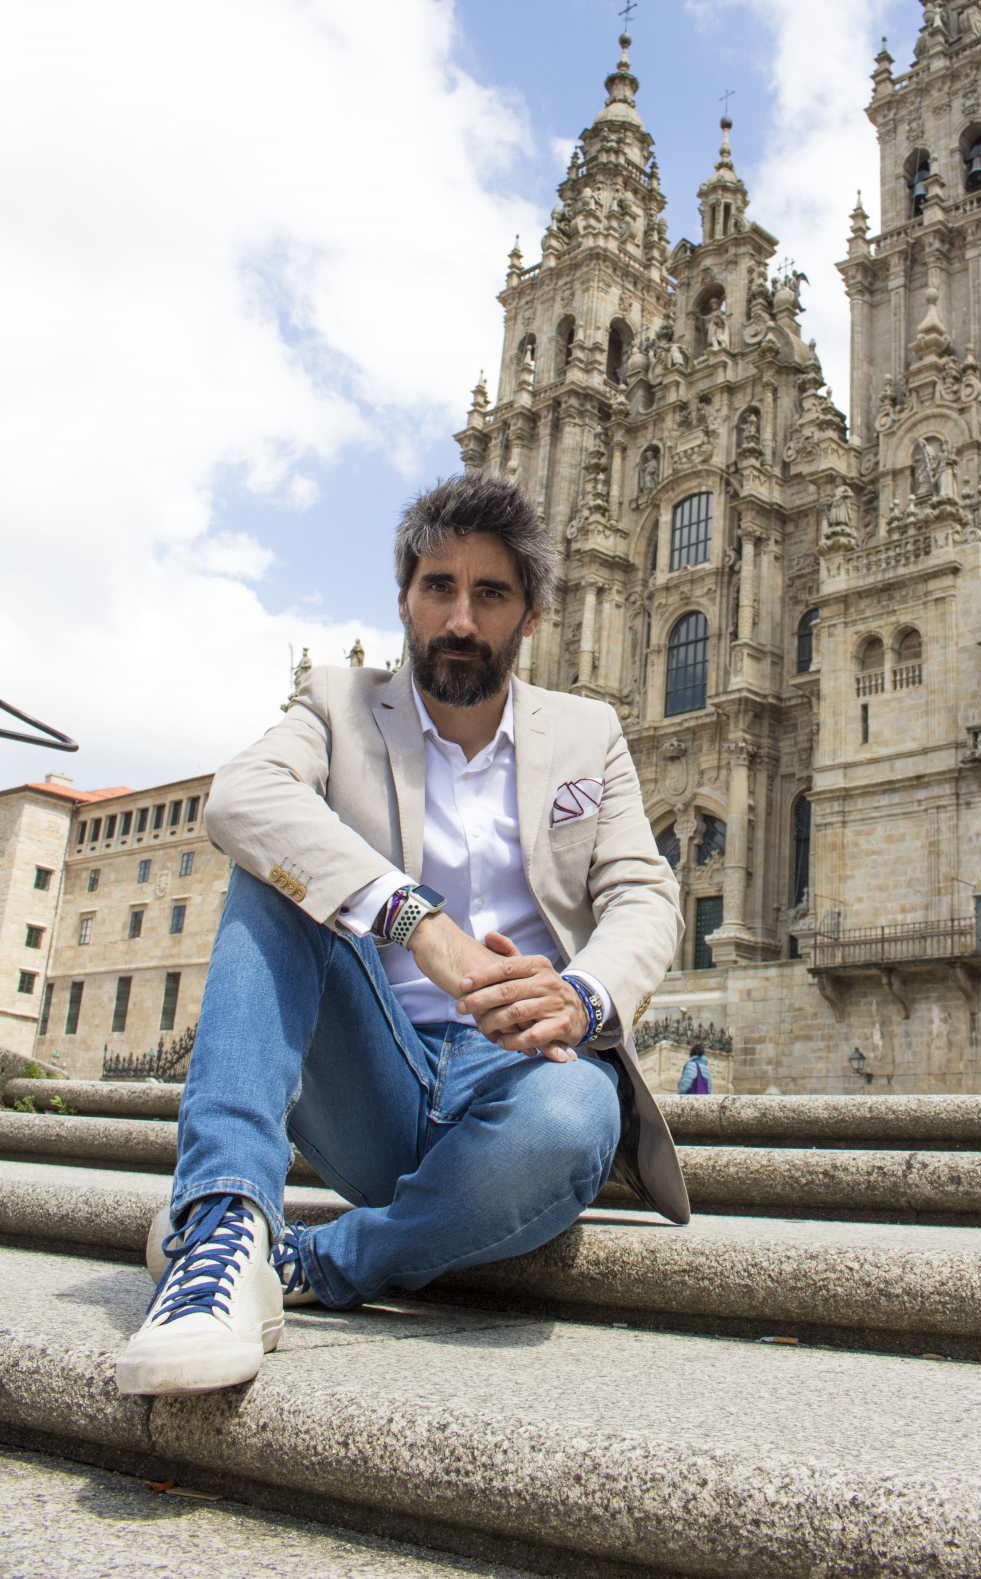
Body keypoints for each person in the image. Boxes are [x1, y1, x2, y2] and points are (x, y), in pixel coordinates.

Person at [116, 474, 687, 1397]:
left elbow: (644, 896)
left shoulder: (589, 734)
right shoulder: (338, 704)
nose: (460, 618)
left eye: (490, 593)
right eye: (439, 588)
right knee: (275, 868)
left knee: (582, 1114)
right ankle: (219, 1226)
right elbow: (241, 798)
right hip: (370, 1069)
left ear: (533, 616)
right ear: (405, 601)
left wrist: (579, 996)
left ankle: (303, 1259)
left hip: (522, 1076)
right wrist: (413, 920)